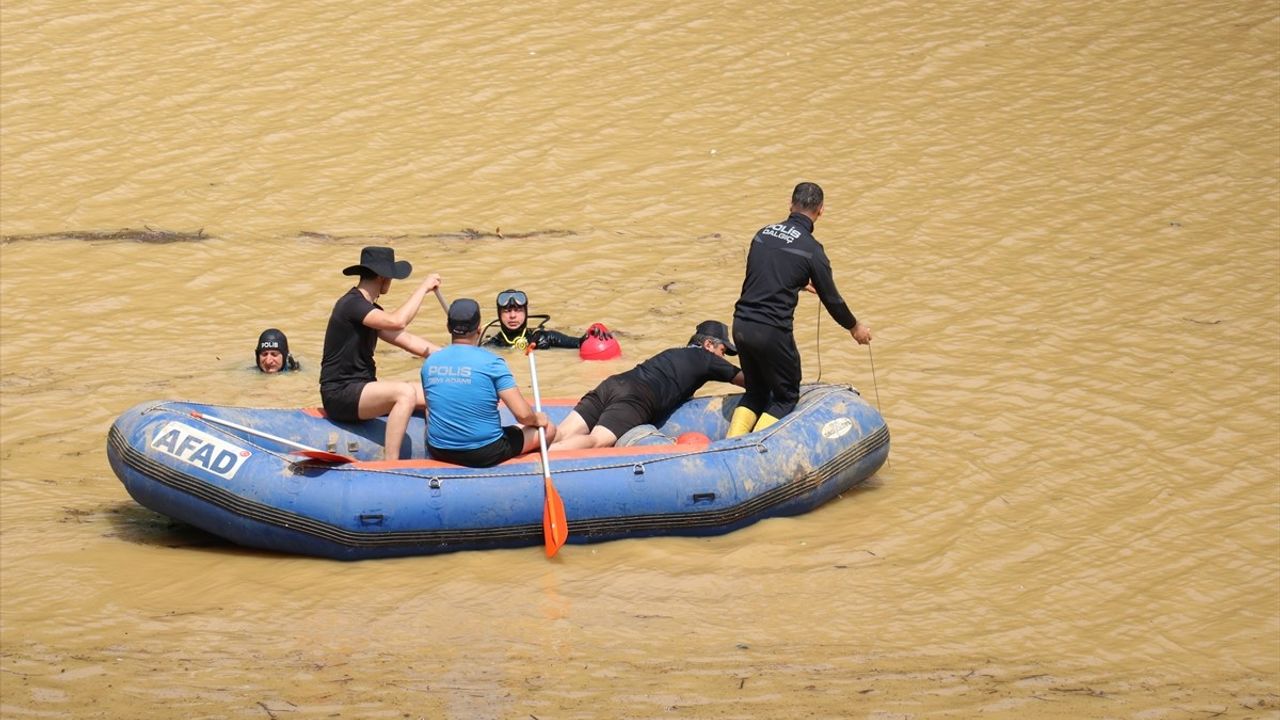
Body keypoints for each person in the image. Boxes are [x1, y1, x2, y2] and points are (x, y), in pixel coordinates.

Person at [727, 182, 872, 437]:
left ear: (790, 204)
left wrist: (799, 283)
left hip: (741, 326)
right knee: (786, 396)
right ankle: (750, 448)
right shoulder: (812, 250)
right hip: (771, 332)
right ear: (821, 211)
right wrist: (854, 327)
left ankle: (731, 443)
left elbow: (764, 274)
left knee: (756, 392)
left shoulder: (762, 234)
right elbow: (832, 300)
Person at [319, 246, 443, 460]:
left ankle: (439, 452)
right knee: (405, 393)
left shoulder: (370, 310)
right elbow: (398, 321)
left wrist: (452, 356)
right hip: (340, 394)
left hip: (363, 389)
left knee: (432, 390)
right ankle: (391, 464)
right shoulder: (351, 304)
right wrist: (423, 288)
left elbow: (408, 340)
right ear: (382, 277)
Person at [550, 320, 744, 450]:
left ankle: (527, 447)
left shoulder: (672, 353)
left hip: (612, 384)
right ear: (709, 344)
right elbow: (745, 380)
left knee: (560, 432)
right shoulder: (707, 358)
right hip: (636, 398)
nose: (723, 357)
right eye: (723, 350)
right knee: (596, 441)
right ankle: (545, 458)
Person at [422, 298, 555, 467]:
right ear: (479, 328)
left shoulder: (430, 363)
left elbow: (431, 408)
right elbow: (522, 415)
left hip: (438, 449)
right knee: (548, 429)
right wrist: (537, 419)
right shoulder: (493, 363)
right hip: (484, 452)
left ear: (448, 327)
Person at [482, 289, 588, 351]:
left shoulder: (541, 337)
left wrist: (592, 334)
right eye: (507, 311)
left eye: (518, 310)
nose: (513, 315)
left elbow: (579, 343)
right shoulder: (492, 344)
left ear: (526, 313)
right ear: (499, 314)